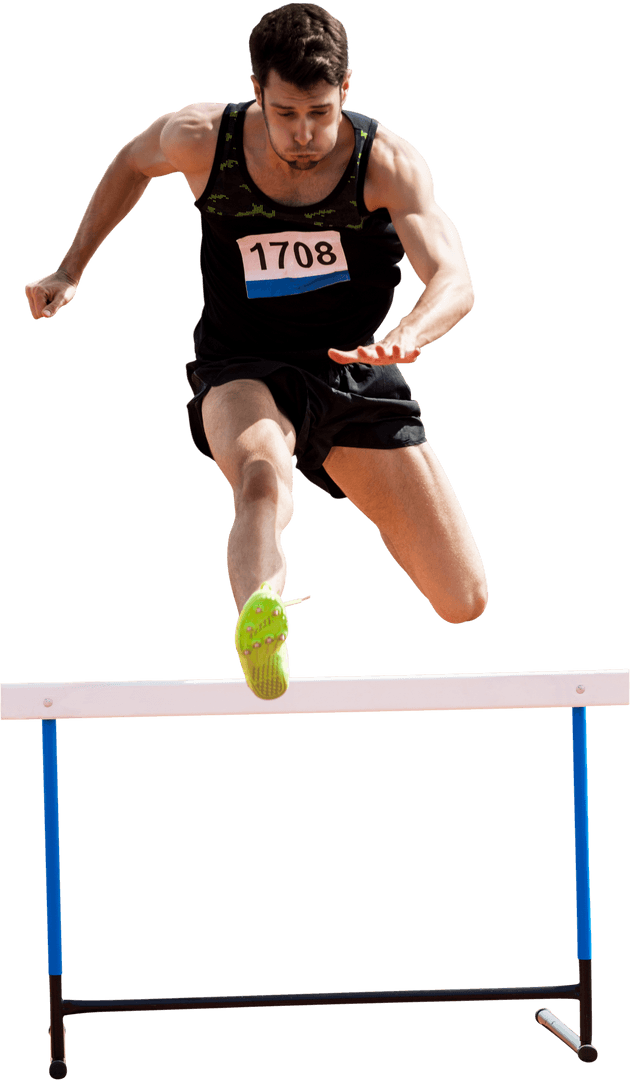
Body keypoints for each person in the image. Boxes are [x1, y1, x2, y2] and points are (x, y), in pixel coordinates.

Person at [24, 2, 488, 701]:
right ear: (256, 90)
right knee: (261, 475)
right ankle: (260, 617)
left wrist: (410, 334)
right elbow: (130, 163)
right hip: (242, 366)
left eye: (321, 113)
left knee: (463, 599)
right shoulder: (203, 137)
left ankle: (281, 591)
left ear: (348, 90)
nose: (304, 135)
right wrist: (70, 267)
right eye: (286, 112)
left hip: (350, 370)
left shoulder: (386, 163)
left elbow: (454, 276)